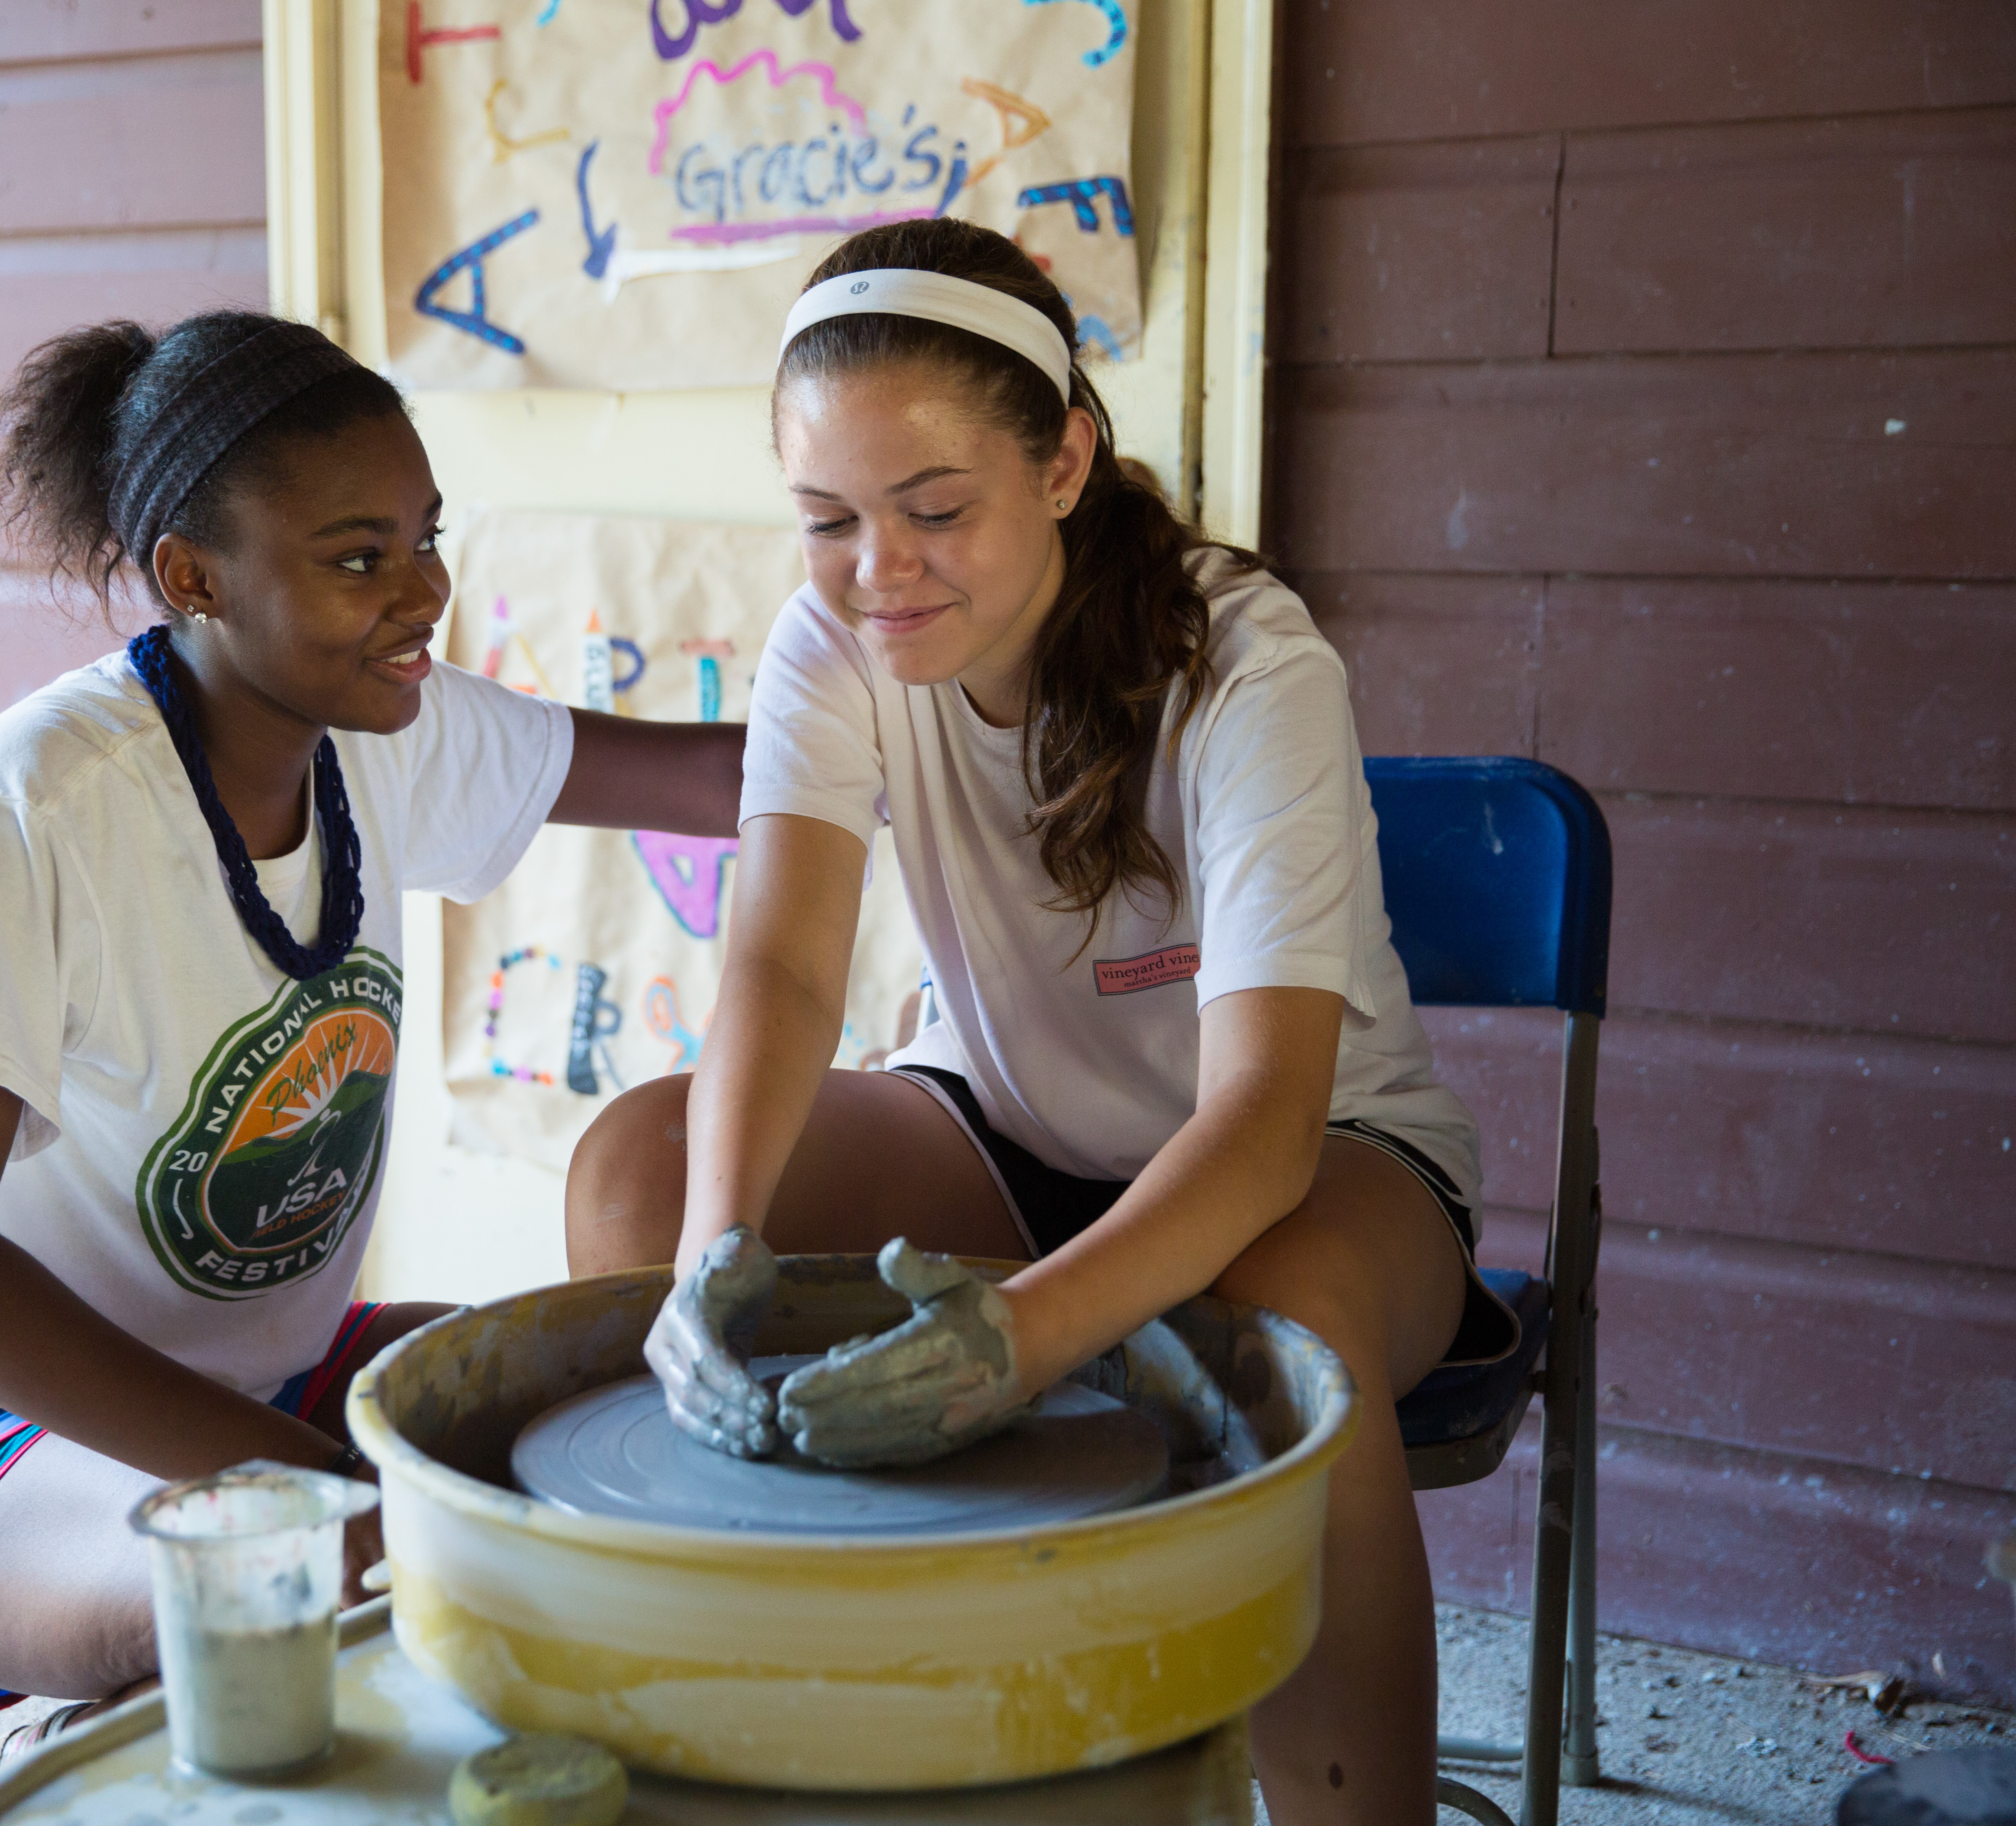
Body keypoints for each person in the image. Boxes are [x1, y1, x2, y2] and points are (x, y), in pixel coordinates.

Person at [563, 221, 1515, 1824]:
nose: (882, 570)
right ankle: (757, 1744)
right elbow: (785, 975)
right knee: (641, 1171)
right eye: (828, 520)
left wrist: (1024, 1338)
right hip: (1004, 1138)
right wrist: (710, 1249)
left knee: (1280, 1325)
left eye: (937, 510)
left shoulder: (1245, 660)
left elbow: (1266, 1123)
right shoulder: (837, 644)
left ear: (1066, 460)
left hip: (1316, 1168)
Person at [0, 311, 742, 1780]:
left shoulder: (386, 731)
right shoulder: (34, 809)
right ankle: (89, 1745)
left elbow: (719, 780)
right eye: (359, 559)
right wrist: (302, 1477)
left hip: (270, 1382)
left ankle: (177, 1674)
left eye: (430, 538)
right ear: (193, 577)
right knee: (361, 1557)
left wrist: (988, 724)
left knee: (647, 1389)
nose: (424, 594)